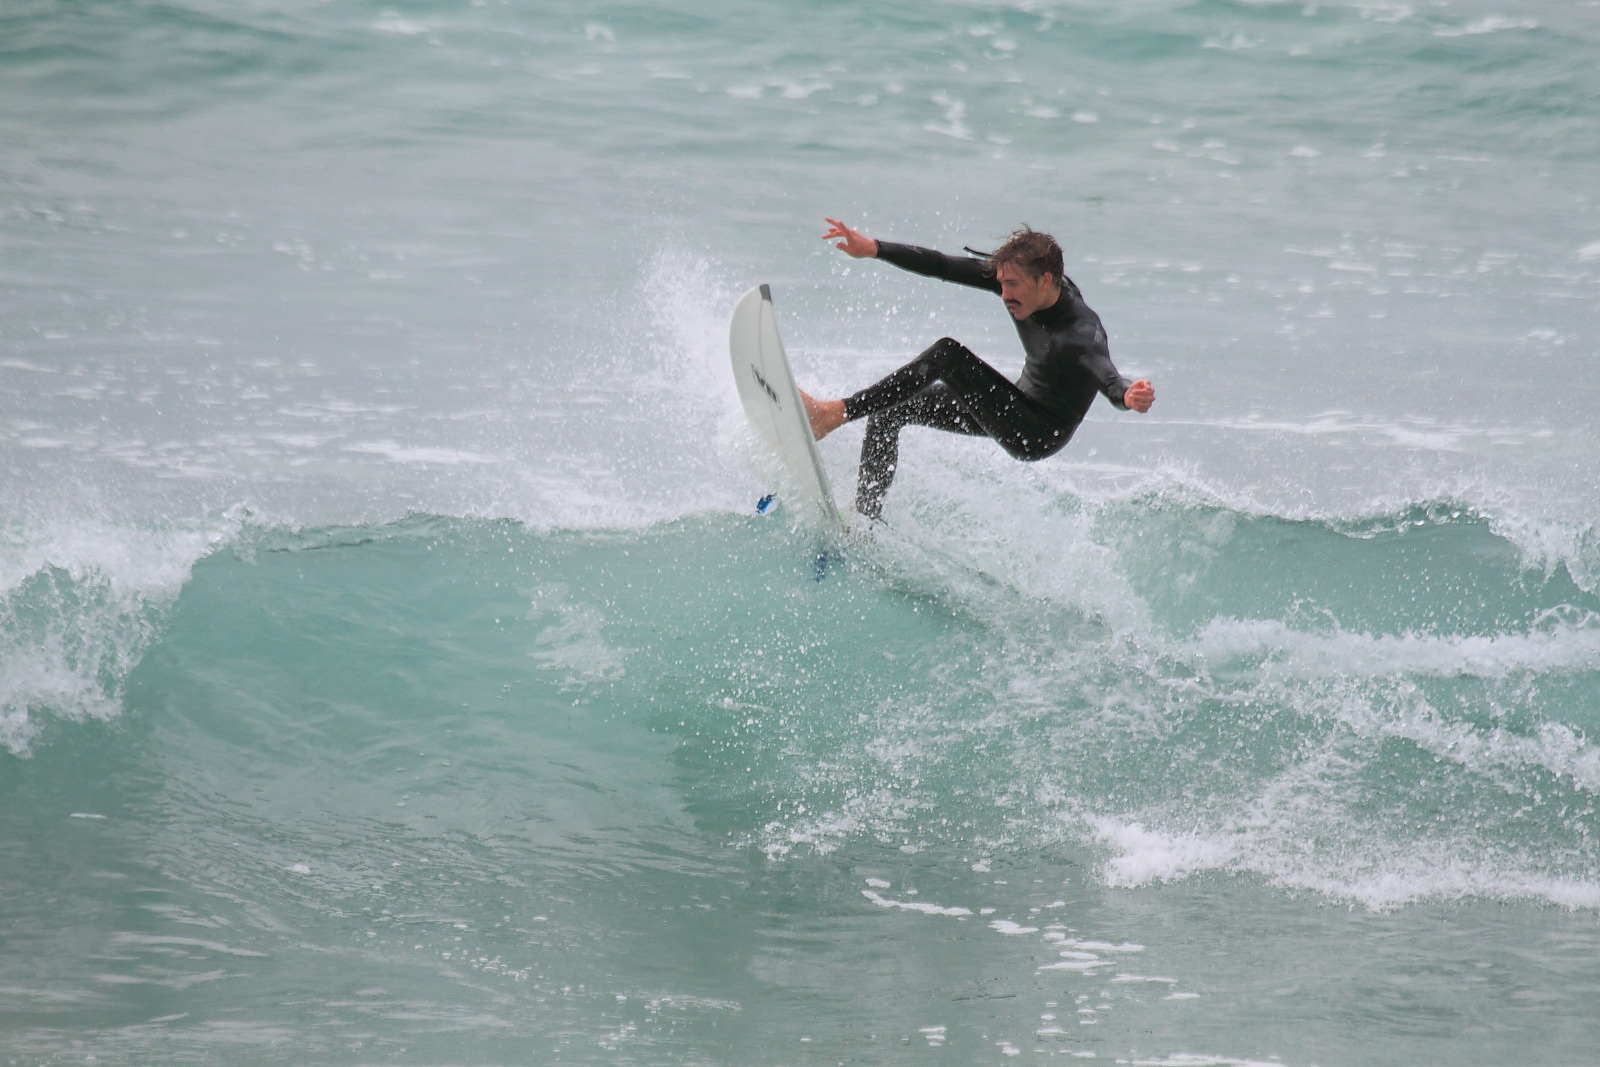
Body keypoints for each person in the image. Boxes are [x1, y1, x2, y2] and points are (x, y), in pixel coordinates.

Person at [801, 217, 1155, 521]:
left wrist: (1127, 394)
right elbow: (942, 265)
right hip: (1014, 402)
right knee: (889, 410)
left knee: (947, 354)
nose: (1003, 294)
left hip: (1036, 433)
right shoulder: (1018, 280)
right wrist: (875, 248)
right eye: (1000, 283)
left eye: (1011, 285)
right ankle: (865, 520)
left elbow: (1108, 377)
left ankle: (835, 413)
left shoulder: (1080, 333)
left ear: (1045, 280)